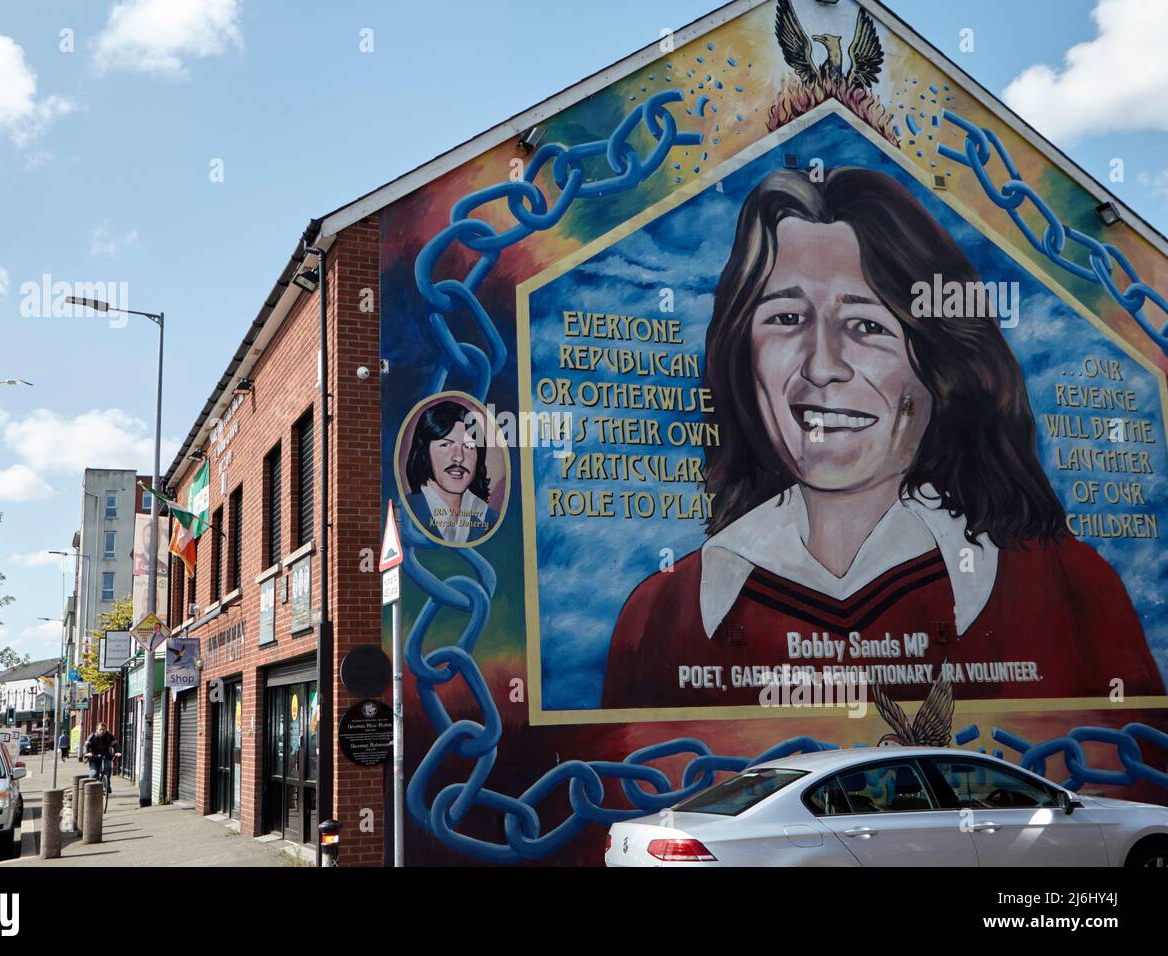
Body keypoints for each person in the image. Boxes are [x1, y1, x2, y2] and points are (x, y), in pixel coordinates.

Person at [602, 166, 1164, 710]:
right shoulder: (663, 615)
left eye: (867, 326)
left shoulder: (1066, 589)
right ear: (741, 355)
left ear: (940, 361)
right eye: (786, 319)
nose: (822, 366)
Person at [404, 400, 500, 544]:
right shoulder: (405, 513)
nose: (459, 457)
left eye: (468, 447)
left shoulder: (491, 519)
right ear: (424, 452)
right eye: (446, 445)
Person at [83, 722, 117, 794]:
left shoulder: (109, 736)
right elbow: (87, 745)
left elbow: (115, 744)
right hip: (94, 757)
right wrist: (86, 753)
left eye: (103, 729)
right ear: (97, 730)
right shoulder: (92, 736)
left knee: (107, 770)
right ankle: (91, 791)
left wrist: (117, 751)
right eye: (100, 729)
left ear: (106, 730)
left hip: (106, 756)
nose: (102, 731)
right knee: (94, 774)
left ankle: (107, 785)